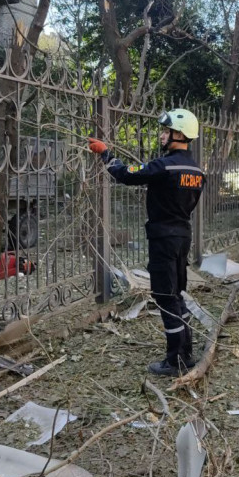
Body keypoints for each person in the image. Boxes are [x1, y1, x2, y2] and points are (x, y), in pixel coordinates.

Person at [88, 108, 205, 376]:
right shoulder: (196, 170)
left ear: (179, 134)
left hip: (163, 238)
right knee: (176, 293)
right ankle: (185, 351)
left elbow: (126, 174)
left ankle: (175, 360)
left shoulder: (164, 166)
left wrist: (106, 154)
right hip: (182, 235)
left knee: (165, 296)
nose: (162, 135)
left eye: (166, 131)